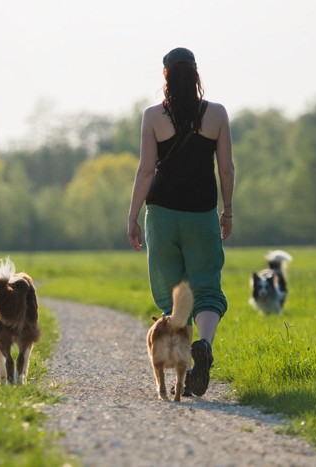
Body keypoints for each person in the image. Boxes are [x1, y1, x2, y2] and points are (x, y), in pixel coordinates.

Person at [127, 47, 234, 397]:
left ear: (166, 78)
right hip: (201, 213)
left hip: (160, 215)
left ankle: (182, 366)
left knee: (172, 295)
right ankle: (202, 345)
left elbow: (146, 170)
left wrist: (132, 217)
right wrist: (227, 210)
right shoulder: (216, 114)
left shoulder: (153, 117)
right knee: (205, 287)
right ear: (196, 73)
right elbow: (226, 168)